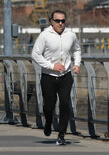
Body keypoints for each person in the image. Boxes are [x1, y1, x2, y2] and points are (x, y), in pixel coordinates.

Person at [31, 10, 81, 146]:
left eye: (63, 21)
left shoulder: (70, 35)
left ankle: (61, 135)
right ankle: (48, 122)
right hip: (49, 76)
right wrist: (51, 66)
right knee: (49, 105)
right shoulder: (44, 36)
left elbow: (77, 50)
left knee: (65, 103)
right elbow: (35, 55)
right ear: (51, 21)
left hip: (66, 75)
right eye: (57, 21)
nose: (60, 23)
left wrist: (76, 64)